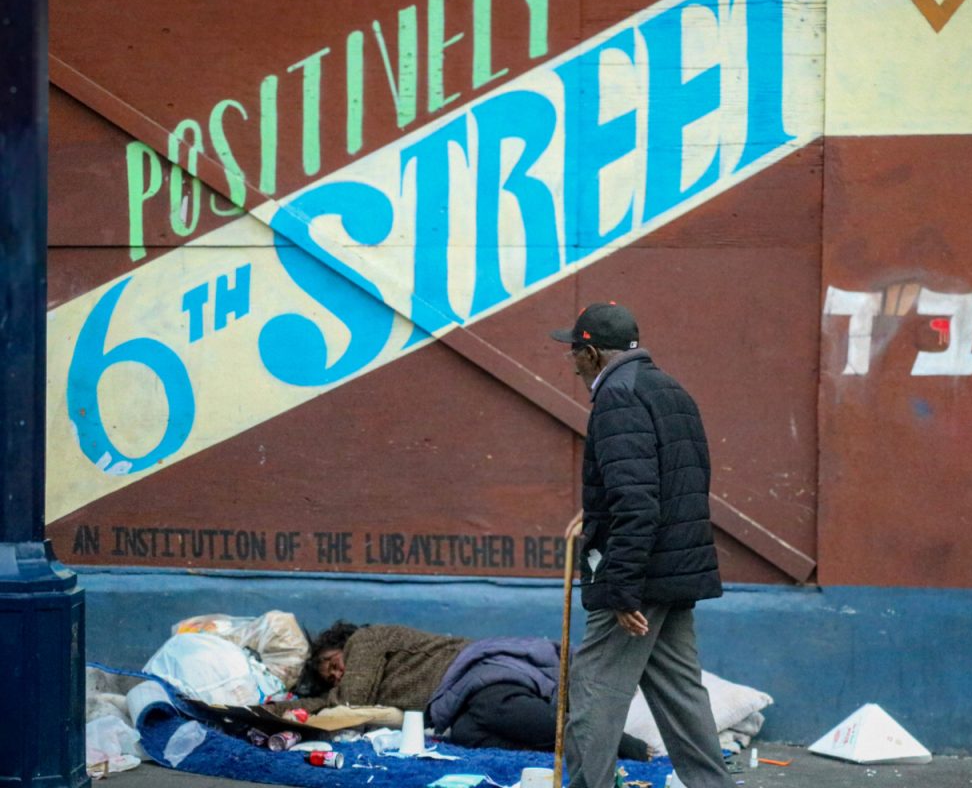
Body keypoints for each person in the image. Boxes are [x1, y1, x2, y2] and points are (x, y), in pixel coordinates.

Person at [551, 303, 735, 788]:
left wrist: (621, 590)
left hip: (640, 575)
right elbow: (673, 487)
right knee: (680, 694)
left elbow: (637, 502)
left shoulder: (617, 398)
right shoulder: (670, 389)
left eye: (573, 350)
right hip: (675, 569)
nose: (569, 360)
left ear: (591, 352)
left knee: (594, 691)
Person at [274, 621, 650, 758]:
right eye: (329, 677)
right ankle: (576, 743)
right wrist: (272, 710)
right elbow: (335, 704)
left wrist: (322, 704)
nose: (337, 674)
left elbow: (350, 702)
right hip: (455, 704)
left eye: (333, 662)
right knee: (471, 734)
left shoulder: (366, 640)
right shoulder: (350, 678)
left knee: (496, 710)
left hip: (478, 674)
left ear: (343, 643)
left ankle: (615, 741)